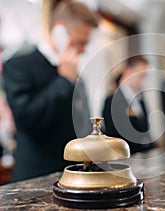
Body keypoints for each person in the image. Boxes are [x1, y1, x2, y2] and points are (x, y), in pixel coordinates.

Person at [3, 0, 98, 182]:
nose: (82, 50)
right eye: (80, 42)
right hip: (35, 180)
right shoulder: (18, 66)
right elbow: (27, 118)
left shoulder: (76, 75)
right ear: (60, 31)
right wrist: (62, 81)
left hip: (73, 178)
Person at [102, 56, 155, 154]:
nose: (143, 81)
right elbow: (115, 137)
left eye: (145, 76)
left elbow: (146, 131)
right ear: (128, 71)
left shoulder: (141, 100)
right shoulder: (112, 101)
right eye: (141, 75)